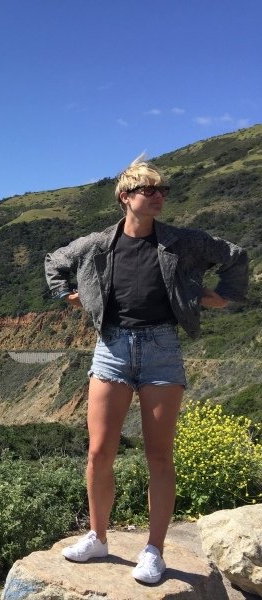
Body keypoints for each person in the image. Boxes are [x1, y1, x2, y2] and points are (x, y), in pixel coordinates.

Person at [44, 155, 248, 584]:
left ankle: (153, 549)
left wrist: (221, 297)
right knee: (100, 452)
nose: (158, 196)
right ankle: (98, 538)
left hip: (161, 348)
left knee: (158, 455)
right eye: (148, 190)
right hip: (111, 349)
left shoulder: (181, 240)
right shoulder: (100, 243)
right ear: (125, 197)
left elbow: (234, 255)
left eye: (162, 190)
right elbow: (55, 261)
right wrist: (71, 296)